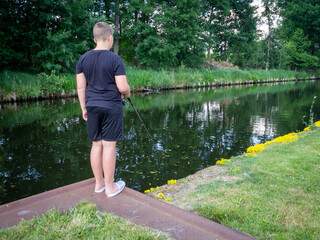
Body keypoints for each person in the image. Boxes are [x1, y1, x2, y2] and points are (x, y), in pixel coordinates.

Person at [76, 22, 130, 197]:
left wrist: (84, 107)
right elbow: (122, 87)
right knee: (108, 145)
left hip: (92, 106)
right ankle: (110, 187)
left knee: (96, 144)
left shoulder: (82, 59)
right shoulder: (115, 59)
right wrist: (128, 93)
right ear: (110, 37)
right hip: (111, 107)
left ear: (94, 39)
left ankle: (99, 184)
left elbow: (80, 87)